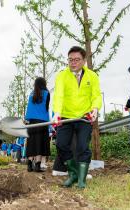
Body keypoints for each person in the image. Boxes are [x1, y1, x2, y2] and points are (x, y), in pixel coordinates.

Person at [52, 46, 102, 188]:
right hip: (66, 116)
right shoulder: (62, 75)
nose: (73, 63)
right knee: (61, 144)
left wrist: (95, 108)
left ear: (84, 60)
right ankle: (73, 173)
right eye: (70, 60)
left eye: (77, 60)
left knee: (82, 146)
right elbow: (59, 95)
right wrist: (57, 113)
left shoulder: (92, 76)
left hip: (84, 116)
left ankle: (82, 179)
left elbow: (96, 95)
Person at [25, 77, 50, 172]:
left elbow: (29, 108)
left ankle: (29, 165)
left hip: (32, 122)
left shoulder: (31, 94)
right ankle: (37, 166)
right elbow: (46, 107)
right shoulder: (46, 93)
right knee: (40, 143)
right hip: (42, 121)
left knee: (31, 143)